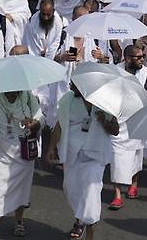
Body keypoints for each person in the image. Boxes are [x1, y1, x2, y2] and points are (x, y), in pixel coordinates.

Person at [47, 83, 119, 240]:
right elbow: (59, 125)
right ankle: (81, 219)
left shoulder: (104, 102)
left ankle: (90, 229)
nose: (70, 86)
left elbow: (115, 130)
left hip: (96, 154)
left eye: (74, 84)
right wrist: (51, 147)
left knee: (91, 191)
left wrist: (104, 121)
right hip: (73, 152)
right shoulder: (68, 100)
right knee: (70, 188)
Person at [0, 89, 43, 239]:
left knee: (21, 188)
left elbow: (40, 118)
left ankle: (19, 221)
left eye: (16, 90)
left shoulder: (27, 97)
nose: (14, 93)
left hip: (22, 150)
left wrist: (33, 123)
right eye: (10, 91)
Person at [108, 46, 147, 210]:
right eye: (138, 57)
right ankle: (117, 194)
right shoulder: (115, 71)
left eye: (142, 56)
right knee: (117, 157)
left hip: (138, 120)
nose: (142, 59)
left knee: (136, 155)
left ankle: (134, 184)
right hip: (119, 120)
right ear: (127, 58)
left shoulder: (145, 72)